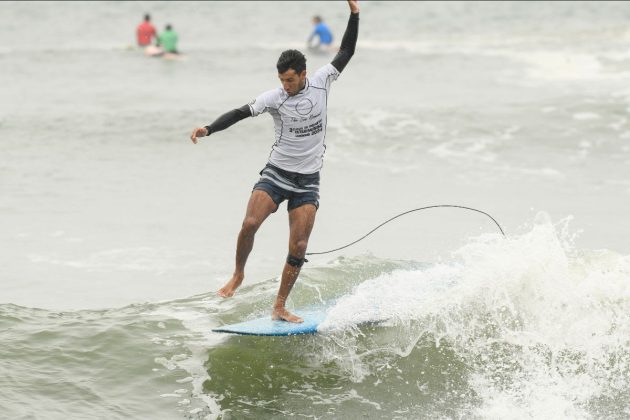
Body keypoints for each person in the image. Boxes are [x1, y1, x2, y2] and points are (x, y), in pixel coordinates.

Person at [190, 0, 360, 323]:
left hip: (308, 180)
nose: (285, 86)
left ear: (304, 75)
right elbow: (241, 113)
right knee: (250, 223)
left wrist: (354, 15)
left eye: (290, 80)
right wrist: (209, 128)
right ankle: (239, 274)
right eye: (282, 80)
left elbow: (346, 52)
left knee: (298, 246)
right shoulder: (275, 98)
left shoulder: (323, 80)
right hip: (277, 172)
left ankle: (280, 305)